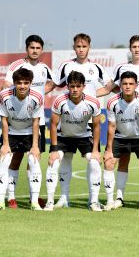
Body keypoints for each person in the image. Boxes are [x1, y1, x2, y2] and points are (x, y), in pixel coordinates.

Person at [98, 35, 139, 209]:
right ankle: (118, 198)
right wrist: (86, 95)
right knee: (121, 160)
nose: (136, 49)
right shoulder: (121, 68)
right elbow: (109, 88)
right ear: (130, 48)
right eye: (134, 46)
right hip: (123, 122)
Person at [53, 33, 111, 208]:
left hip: (88, 121)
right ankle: (64, 198)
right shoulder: (66, 66)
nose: (81, 49)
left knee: (93, 160)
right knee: (65, 159)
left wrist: (92, 95)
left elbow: (109, 86)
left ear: (89, 48)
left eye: (84, 46)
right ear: (74, 48)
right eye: (78, 46)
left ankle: (92, 200)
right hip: (69, 120)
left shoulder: (97, 68)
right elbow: (55, 84)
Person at [3, 34, 54, 209]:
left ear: (41, 50)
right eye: (32, 47)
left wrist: (39, 95)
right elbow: (5, 85)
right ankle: (11, 198)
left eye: (38, 48)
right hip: (17, 119)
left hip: (36, 119)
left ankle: (34, 196)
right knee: (15, 158)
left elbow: (53, 82)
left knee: (34, 159)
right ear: (27, 48)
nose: (35, 51)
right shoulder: (17, 65)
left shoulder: (44, 68)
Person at [44, 71, 103, 211]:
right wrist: (53, 150)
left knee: (94, 162)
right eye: (71, 86)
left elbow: (96, 126)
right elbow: (52, 125)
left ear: (83, 86)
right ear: (67, 86)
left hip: (84, 136)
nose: (74, 89)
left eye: (78, 86)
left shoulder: (93, 102)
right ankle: (53, 201)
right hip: (64, 137)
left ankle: (93, 201)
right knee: (54, 163)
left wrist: (95, 150)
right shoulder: (60, 100)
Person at [0, 68, 43, 211]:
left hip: (29, 132)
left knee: (33, 160)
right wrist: (6, 144)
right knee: (4, 160)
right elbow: (4, 120)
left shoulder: (37, 97)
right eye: (19, 83)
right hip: (12, 131)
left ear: (30, 83)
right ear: (14, 83)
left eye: (26, 83)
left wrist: (34, 146)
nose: (22, 86)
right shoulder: (4, 95)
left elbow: (36, 122)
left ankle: (34, 203)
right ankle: (1, 201)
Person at [103, 71, 139, 211]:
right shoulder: (112, 102)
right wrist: (108, 150)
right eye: (124, 84)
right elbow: (112, 126)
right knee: (109, 162)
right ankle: (113, 200)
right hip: (120, 138)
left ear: (136, 85)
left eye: (131, 84)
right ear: (120, 85)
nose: (127, 86)